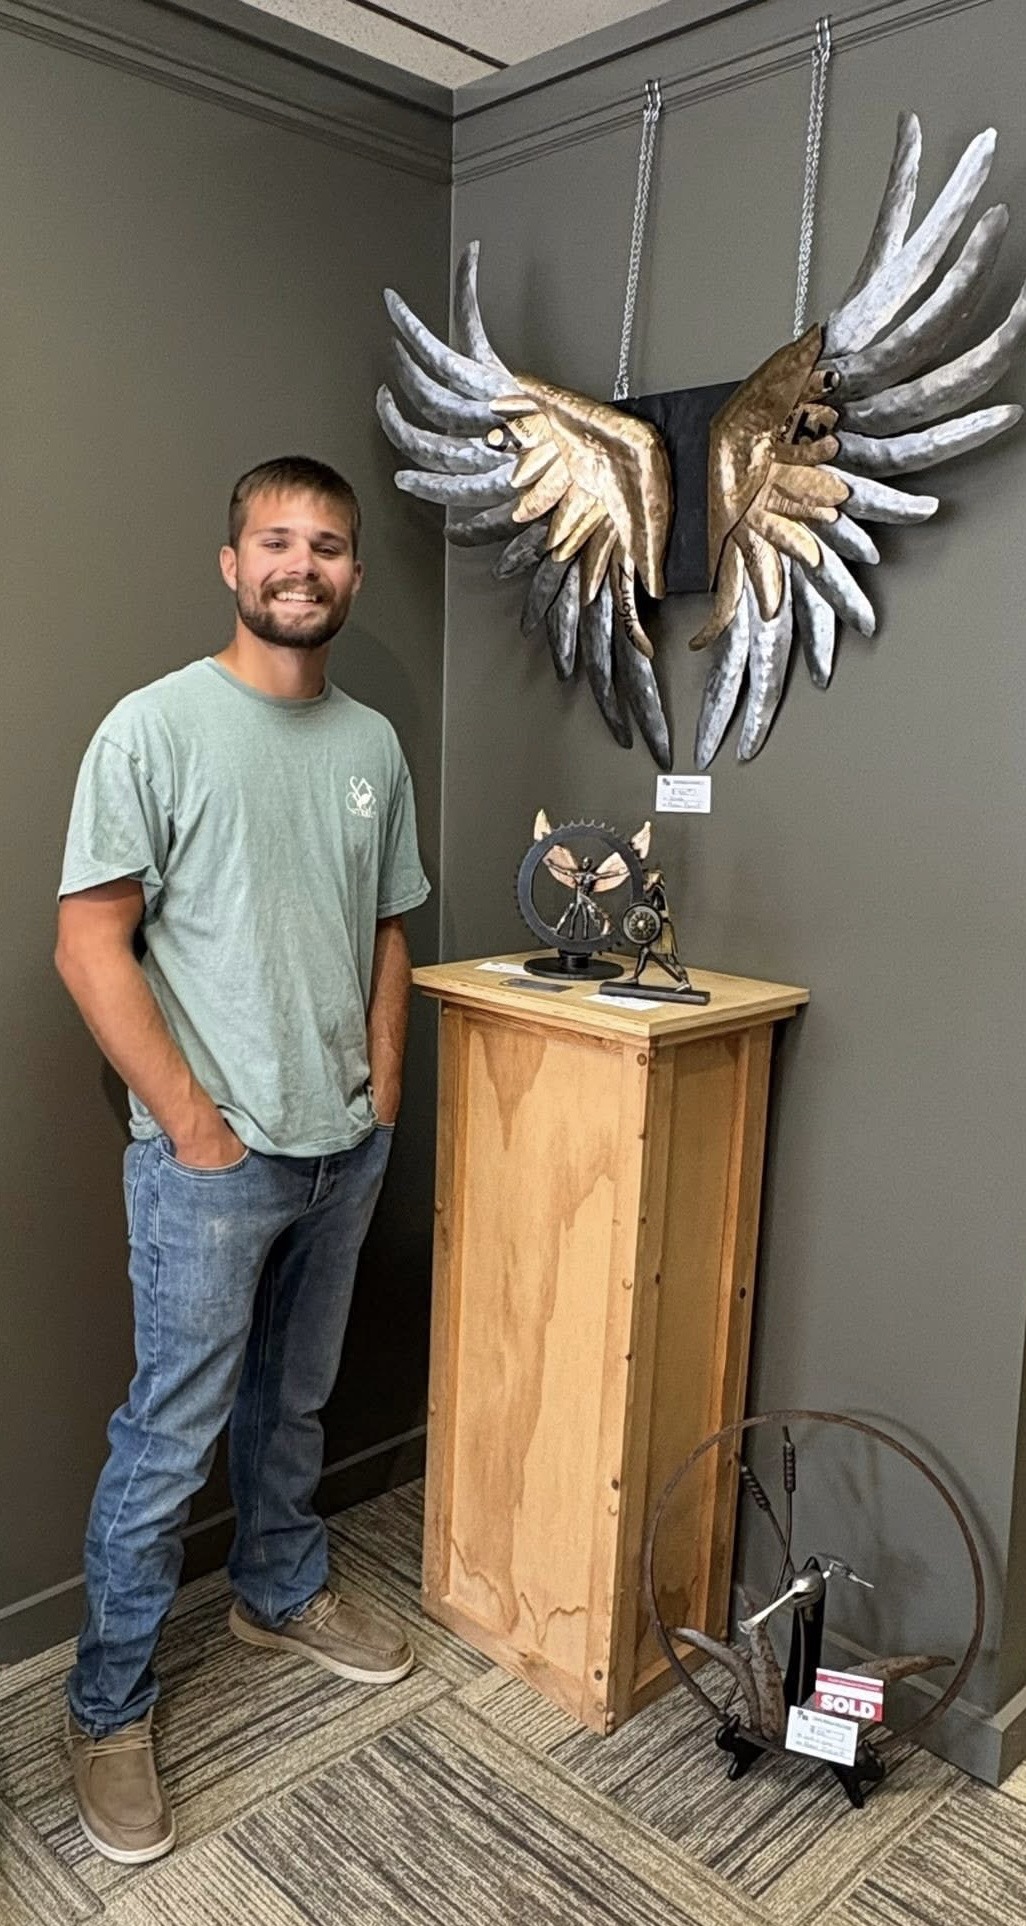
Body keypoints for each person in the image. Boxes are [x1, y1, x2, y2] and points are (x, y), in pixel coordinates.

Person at [54, 455, 430, 1866]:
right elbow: (89, 942)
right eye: (276, 540)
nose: (302, 564)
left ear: (349, 573)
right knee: (166, 1442)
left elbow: (389, 926)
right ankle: (105, 1704)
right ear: (232, 564)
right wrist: (194, 1123)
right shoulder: (152, 729)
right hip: (213, 1163)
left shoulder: (373, 745)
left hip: (344, 1146)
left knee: (294, 1408)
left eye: (328, 545)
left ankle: (280, 1588)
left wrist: (382, 1089)